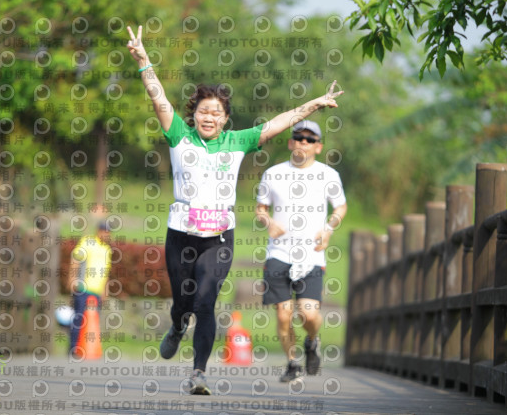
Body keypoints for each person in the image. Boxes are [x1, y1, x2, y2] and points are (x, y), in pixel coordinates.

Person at [126, 24, 344, 395]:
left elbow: (279, 123)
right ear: (193, 114)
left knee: (206, 300)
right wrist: (145, 61)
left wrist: (315, 105)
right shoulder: (178, 135)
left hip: (219, 237)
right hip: (181, 233)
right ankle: (178, 325)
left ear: (226, 118)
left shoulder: (238, 141)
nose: (209, 117)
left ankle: (198, 373)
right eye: (203, 111)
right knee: (183, 301)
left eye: (217, 113)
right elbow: (158, 97)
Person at [255, 119, 347, 383]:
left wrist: (329, 229)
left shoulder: (329, 175)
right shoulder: (273, 173)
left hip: (312, 254)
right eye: (299, 137)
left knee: (308, 312)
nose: (303, 143)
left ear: (318, 147)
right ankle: (293, 363)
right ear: (290, 142)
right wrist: (269, 222)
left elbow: (340, 208)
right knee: (283, 314)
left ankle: (312, 340)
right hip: (279, 253)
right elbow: (261, 209)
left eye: (310, 140)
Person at [68, 221, 112, 354]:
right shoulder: (87, 242)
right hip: (83, 288)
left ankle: (88, 349)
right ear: (98, 231)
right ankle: (74, 349)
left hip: (97, 291)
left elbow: (106, 272)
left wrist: (105, 290)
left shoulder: (106, 249)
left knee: (93, 321)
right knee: (79, 319)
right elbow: (76, 260)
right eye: (104, 231)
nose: (106, 234)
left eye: (108, 232)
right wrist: (72, 278)